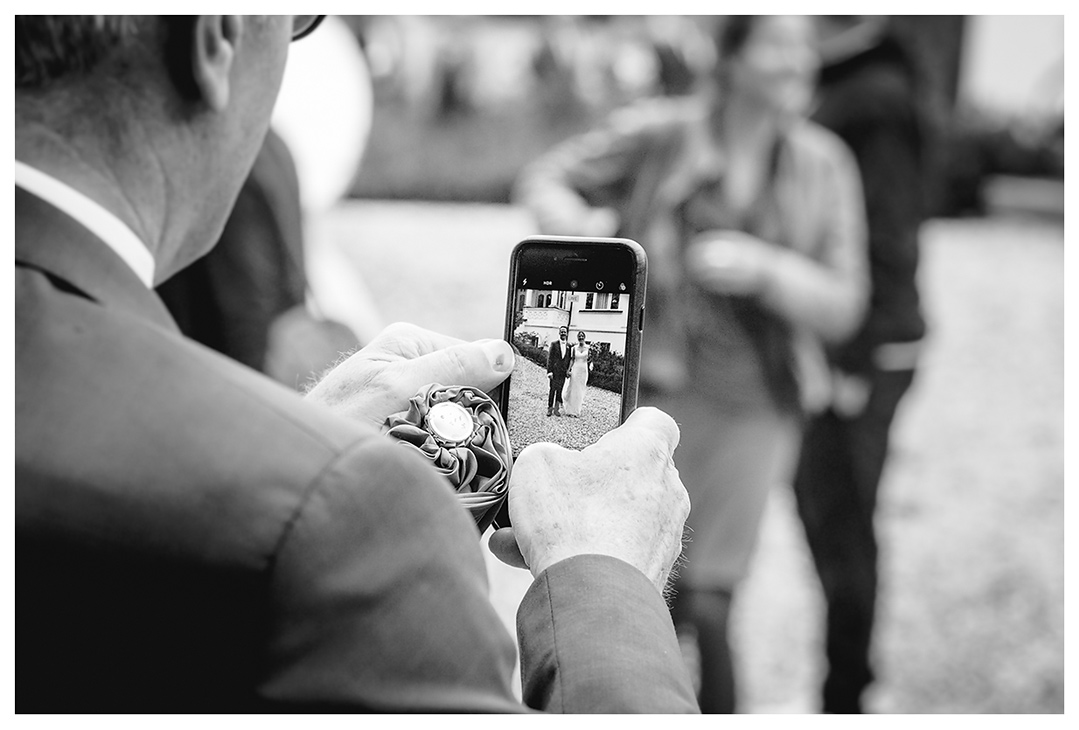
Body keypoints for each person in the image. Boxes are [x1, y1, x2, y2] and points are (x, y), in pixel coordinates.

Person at [15, 15, 696, 713]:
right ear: (214, 36)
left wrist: (284, 449)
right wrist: (605, 582)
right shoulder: (350, 514)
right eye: (300, 20)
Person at [515, 15, 869, 712]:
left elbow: (845, 304)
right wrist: (578, 226)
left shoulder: (825, 164)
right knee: (647, 581)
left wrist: (766, 269)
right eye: (777, 44)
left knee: (712, 597)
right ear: (731, 59)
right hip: (658, 396)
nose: (799, 60)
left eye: (805, 46)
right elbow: (546, 175)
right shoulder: (663, 133)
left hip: (762, 405)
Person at [788, 16, 930, 713]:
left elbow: (886, 233)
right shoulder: (855, 83)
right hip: (852, 343)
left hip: (865, 349)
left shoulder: (871, 97)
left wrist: (851, 356)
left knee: (842, 525)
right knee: (830, 518)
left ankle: (845, 697)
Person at [156, 126, 358, 389]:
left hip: (235, 370)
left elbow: (245, 305)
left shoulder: (215, 150)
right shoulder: (270, 141)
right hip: (263, 352)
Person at [561, 330, 591, 417]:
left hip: (583, 370)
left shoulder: (588, 348)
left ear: (584, 337)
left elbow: (590, 360)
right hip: (576, 369)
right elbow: (572, 359)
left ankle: (577, 409)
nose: (581, 337)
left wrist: (591, 364)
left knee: (580, 389)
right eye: (579, 336)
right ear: (577, 338)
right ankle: (571, 410)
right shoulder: (574, 348)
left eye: (582, 336)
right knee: (573, 388)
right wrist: (568, 369)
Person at [545, 325, 572, 416]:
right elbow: (550, 359)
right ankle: (550, 408)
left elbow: (569, 359)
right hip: (554, 372)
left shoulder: (569, 346)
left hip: (562, 372)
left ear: (567, 333)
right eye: (562, 331)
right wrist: (549, 371)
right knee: (552, 390)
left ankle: (556, 409)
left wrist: (568, 371)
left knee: (560, 390)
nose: (563, 333)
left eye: (565, 331)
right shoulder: (554, 344)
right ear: (559, 333)